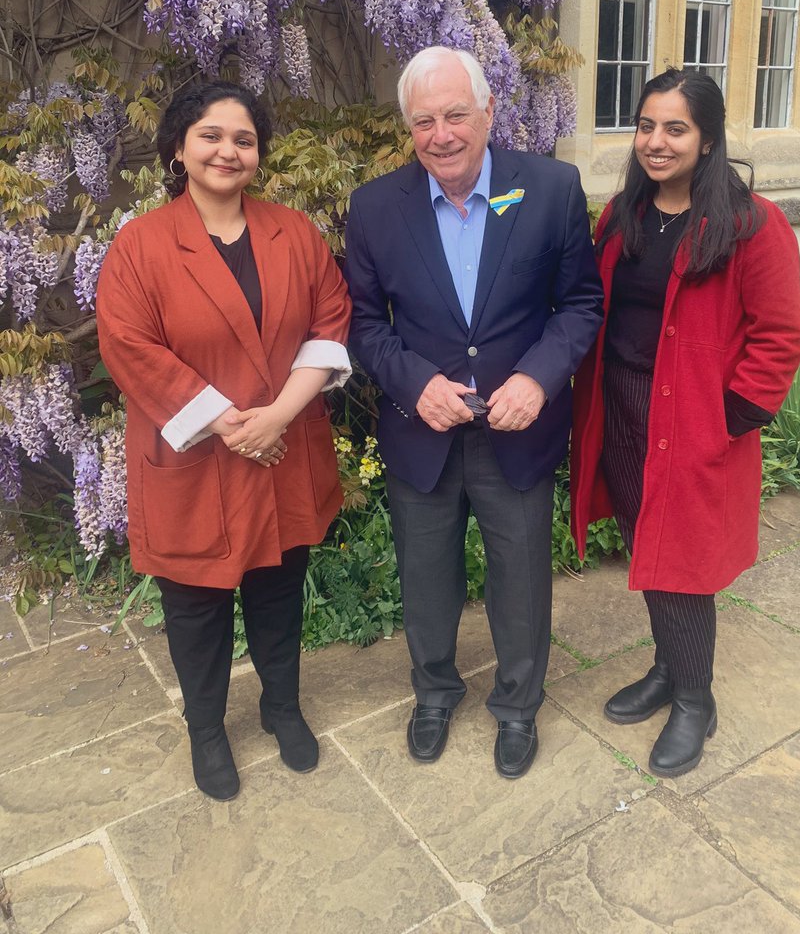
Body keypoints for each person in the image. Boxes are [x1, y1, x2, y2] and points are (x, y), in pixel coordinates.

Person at [343, 47, 604, 778]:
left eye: (456, 114)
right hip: (422, 431)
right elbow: (364, 323)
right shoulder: (374, 208)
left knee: (521, 577)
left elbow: (580, 304)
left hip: (516, 431)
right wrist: (413, 382)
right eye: (423, 121)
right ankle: (433, 691)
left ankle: (518, 707)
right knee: (425, 576)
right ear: (409, 128)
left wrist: (539, 379)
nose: (442, 134)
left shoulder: (550, 189)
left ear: (489, 112)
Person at [96, 81, 351, 801]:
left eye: (243, 139)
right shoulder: (142, 244)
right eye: (210, 136)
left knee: (278, 589)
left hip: (282, 447)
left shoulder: (292, 232)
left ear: (259, 154)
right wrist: (231, 424)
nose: (227, 151)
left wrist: (276, 417)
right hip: (194, 457)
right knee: (197, 606)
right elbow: (129, 345)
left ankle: (281, 707)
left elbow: (331, 322)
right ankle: (206, 730)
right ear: (179, 147)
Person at [570, 67, 800, 777]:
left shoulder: (751, 225)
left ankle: (695, 699)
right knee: (650, 549)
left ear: (707, 139)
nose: (656, 141)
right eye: (646, 126)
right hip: (625, 409)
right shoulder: (624, 215)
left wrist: (728, 418)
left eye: (676, 128)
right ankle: (669, 670)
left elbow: (778, 336)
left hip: (694, 422)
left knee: (683, 570)